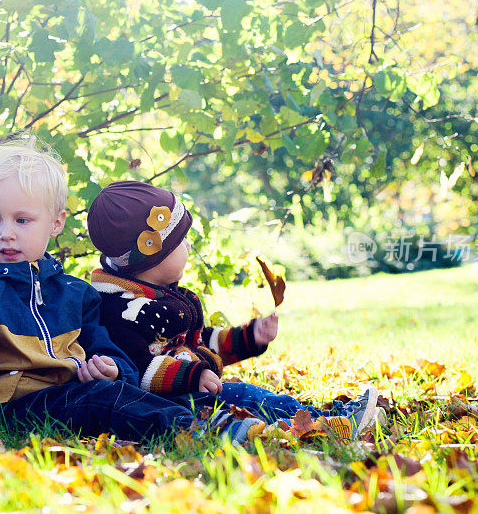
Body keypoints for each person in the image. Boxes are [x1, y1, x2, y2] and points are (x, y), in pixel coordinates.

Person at [0, 138, 263, 444]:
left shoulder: (72, 292)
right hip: (0, 405)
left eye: (22, 220)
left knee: (115, 391)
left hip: (64, 391)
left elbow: (100, 341)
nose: (6, 233)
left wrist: (113, 367)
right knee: (98, 400)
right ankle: (194, 429)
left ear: (56, 222)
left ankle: (221, 415)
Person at [86, 181, 385, 441]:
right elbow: (137, 367)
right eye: (180, 242)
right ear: (151, 259)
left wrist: (249, 336)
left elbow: (201, 341)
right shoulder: (121, 310)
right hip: (172, 405)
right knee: (250, 397)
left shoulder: (162, 293)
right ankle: (326, 424)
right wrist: (191, 375)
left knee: (252, 397)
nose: (188, 245)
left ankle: (327, 421)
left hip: (198, 388)